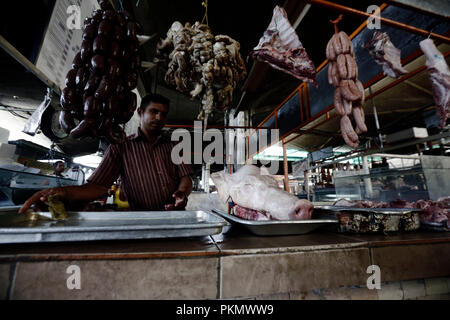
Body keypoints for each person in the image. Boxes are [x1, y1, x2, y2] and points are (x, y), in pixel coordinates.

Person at [19, 94, 193, 214]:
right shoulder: (120, 147)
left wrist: (181, 193)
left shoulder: (174, 146)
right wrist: (60, 191)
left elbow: (186, 177)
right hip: (141, 218)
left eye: (163, 114)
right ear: (140, 112)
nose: (158, 118)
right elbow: (98, 186)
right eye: (153, 111)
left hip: (175, 216)